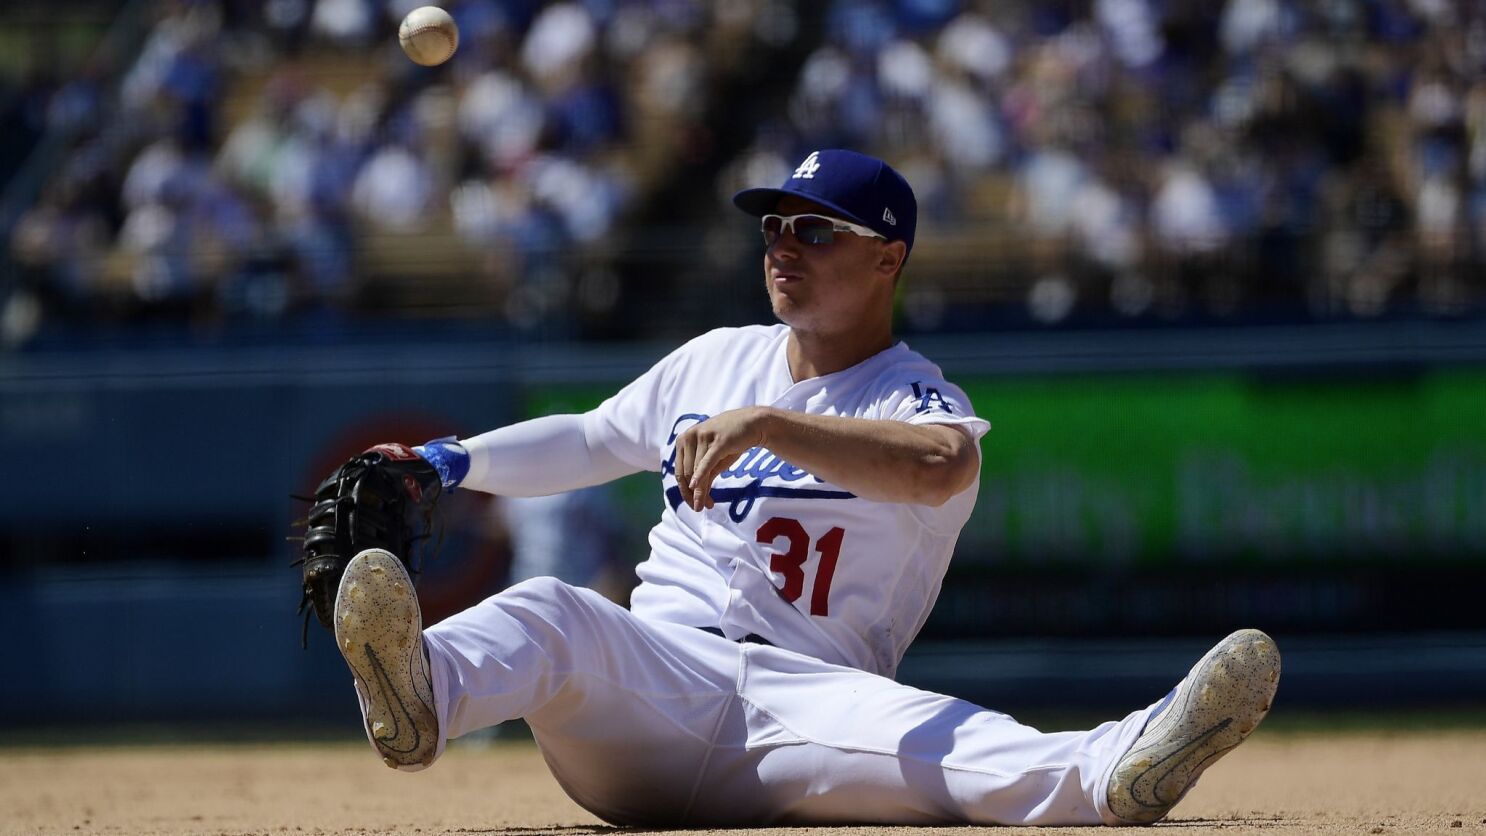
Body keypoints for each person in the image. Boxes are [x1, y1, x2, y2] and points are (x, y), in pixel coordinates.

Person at [329, 149, 1280, 827]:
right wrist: (453, 460)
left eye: (817, 231)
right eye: (775, 227)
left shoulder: (915, 395)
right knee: (550, 612)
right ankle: (423, 695)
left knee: (948, 742)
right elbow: (588, 438)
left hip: (810, 706)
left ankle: (1127, 766)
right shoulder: (715, 360)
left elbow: (943, 466)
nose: (784, 244)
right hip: (653, 683)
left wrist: (775, 423)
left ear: (888, 257)